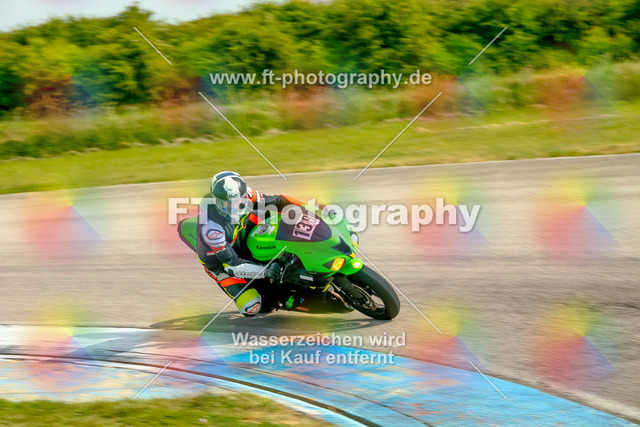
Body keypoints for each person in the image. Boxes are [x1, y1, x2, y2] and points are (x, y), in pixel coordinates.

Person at [196, 171, 305, 316]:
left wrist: (310, 208)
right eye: (226, 204)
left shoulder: (246, 193)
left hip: (241, 234)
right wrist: (266, 271)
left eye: (237, 201)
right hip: (221, 264)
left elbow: (277, 201)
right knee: (255, 307)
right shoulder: (210, 228)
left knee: (274, 212)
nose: (234, 208)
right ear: (216, 202)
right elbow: (232, 264)